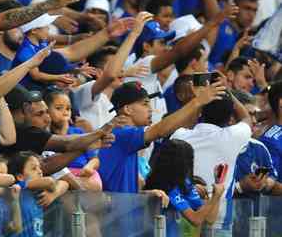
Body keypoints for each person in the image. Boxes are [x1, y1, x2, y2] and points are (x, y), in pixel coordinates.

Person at [98, 80, 224, 196]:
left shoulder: (125, 136)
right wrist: (198, 101)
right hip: (115, 216)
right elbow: (160, 130)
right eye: (145, 104)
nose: (151, 109)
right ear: (127, 109)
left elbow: (121, 186)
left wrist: (145, 194)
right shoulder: (122, 134)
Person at [171, 90, 253, 235]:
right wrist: (226, 89)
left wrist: (198, 103)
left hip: (182, 219)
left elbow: (180, 124)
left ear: (201, 111)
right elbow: (246, 118)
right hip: (219, 223)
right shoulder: (234, 137)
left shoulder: (179, 135)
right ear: (230, 118)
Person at [143, 139, 224, 236]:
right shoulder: (164, 186)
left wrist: (217, 189)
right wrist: (215, 196)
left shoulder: (186, 184)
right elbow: (195, 219)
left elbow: (209, 219)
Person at [44, 89, 102, 191]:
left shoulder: (78, 132)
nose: (65, 112)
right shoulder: (47, 135)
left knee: (95, 186)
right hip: (63, 174)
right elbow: (56, 157)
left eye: (68, 109)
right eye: (59, 108)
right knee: (63, 185)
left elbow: (94, 158)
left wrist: (89, 167)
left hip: (84, 173)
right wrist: (64, 129)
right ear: (47, 111)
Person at [7, 151, 68, 237]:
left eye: (39, 167)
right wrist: (53, 191)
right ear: (20, 177)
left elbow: (64, 183)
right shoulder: (17, 189)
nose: (40, 171)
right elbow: (49, 181)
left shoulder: (39, 192)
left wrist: (53, 194)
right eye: (34, 168)